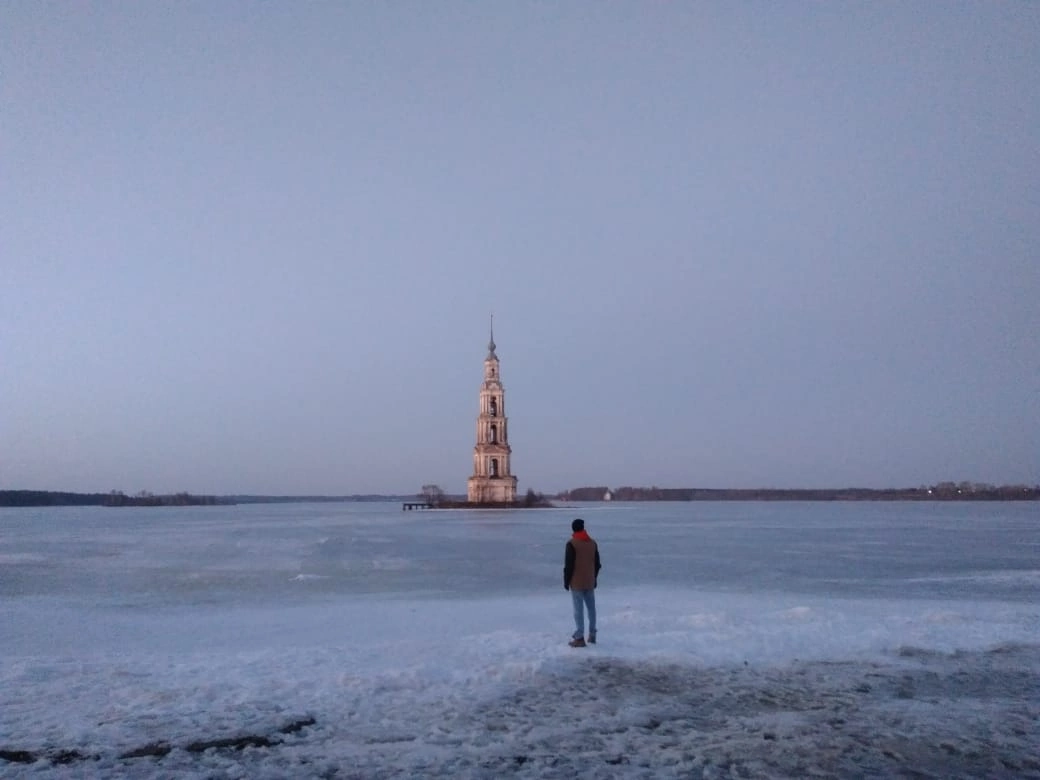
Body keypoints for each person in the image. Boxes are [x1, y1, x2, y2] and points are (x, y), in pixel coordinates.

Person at [563, 518, 601, 647]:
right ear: (583, 528)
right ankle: (593, 634)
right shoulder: (593, 543)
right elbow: (597, 564)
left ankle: (579, 637)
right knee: (591, 609)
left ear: (573, 529)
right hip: (590, 581)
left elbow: (569, 566)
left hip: (577, 582)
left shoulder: (571, 544)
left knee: (578, 610)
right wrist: (594, 578)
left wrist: (566, 581)